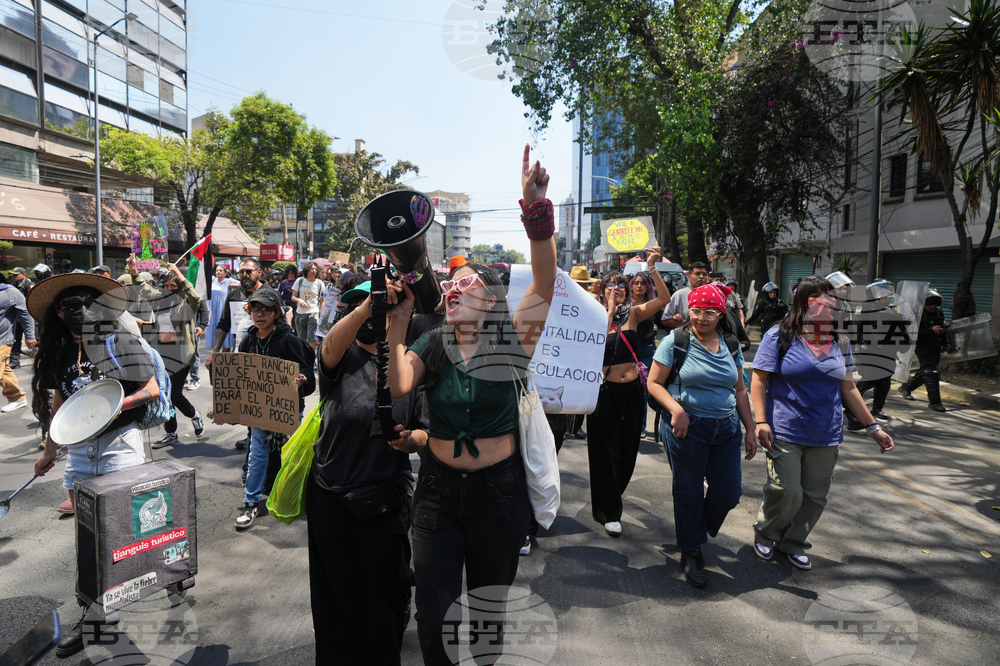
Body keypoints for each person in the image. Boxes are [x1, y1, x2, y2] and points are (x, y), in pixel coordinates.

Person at [387, 145, 556, 665]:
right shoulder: (431, 342)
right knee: (433, 614)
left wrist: (535, 210)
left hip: (498, 496)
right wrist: (397, 322)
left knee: (487, 612)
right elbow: (399, 386)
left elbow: (544, 282)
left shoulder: (513, 342)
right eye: (452, 285)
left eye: (469, 283)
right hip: (437, 494)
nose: (455, 288)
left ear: (492, 300)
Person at [29, 273, 159, 657]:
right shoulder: (61, 352)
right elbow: (61, 405)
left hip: (119, 444)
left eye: (89, 302)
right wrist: (49, 450)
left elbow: (151, 388)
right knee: (89, 539)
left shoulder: (120, 341)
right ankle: (96, 614)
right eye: (73, 305)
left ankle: (104, 614)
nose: (82, 310)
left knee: (117, 535)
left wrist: (119, 405)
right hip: (79, 452)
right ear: (59, 312)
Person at [309, 275, 427, 664]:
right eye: (361, 307)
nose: (371, 314)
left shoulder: (409, 365)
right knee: (333, 594)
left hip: (384, 501)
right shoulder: (341, 354)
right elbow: (327, 348)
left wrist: (412, 441)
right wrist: (365, 308)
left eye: (380, 307)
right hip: (330, 493)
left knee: (382, 598)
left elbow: (427, 430)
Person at [750, 276, 895, 571]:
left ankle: (794, 542)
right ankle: (766, 532)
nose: (825, 303)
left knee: (815, 496)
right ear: (802, 302)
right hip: (785, 429)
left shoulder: (840, 340)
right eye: (816, 297)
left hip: (825, 432)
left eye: (829, 297)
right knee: (786, 491)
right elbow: (759, 379)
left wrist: (874, 428)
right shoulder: (780, 335)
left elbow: (848, 388)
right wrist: (760, 421)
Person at [647, 283, 757, 587]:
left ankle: (694, 527)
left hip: (726, 427)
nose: (701, 317)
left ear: (721, 314)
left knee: (728, 493)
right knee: (688, 491)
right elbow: (654, 383)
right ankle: (691, 550)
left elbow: (740, 390)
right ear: (689, 311)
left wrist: (750, 429)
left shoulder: (731, 344)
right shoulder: (676, 341)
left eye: (710, 312)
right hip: (686, 428)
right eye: (696, 310)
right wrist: (676, 410)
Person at [589, 253, 670, 537]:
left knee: (627, 451)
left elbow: (664, 299)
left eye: (621, 285)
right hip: (605, 393)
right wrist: (609, 310)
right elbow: (594, 343)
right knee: (606, 451)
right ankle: (611, 511)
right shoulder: (594, 315)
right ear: (601, 290)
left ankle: (611, 495)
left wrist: (653, 267)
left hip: (633, 391)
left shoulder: (633, 314)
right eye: (611, 285)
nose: (618, 289)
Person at [235, 288, 315, 529]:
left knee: (291, 454)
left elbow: (307, 370)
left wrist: (302, 378)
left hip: (288, 410)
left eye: (266, 310)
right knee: (257, 455)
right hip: (259, 412)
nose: (260, 314)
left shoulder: (289, 340)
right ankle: (251, 502)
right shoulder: (248, 340)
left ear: (277, 313)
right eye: (255, 309)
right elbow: (239, 373)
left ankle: (297, 497)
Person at [131, 260, 204, 448]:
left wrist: (177, 273)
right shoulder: (160, 302)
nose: (169, 289)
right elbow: (143, 289)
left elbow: (195, 297)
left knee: (175, 394)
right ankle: (171, 433)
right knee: (165, 394)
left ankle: (194, 415)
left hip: (182, 356)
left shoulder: (186, 305)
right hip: (163, 355)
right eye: (166, 286)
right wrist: (134, 270)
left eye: (173, 286)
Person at [846, 279, 910, 427]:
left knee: (885, 381)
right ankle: (850, 405)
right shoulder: (864, 308)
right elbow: (856, 329)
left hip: (888, 351)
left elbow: (900, 330)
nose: (885, 295)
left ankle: (877, 409)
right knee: (870, 379)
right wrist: (856, 348)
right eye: (881, 292)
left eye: (887, 292)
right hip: (870, 351)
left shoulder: (893, 309)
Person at [898, 288, 949, 412]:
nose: (932, 307)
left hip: (935, 344)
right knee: (931, 371)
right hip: (920, 344)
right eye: (929, 304)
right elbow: (910, 333)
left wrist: (945, 343)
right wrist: (931, 331)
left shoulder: (938, 312)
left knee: (927, 370)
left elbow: (942, 327)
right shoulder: (914, 313)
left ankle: (906, 387)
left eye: (935, 304)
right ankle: (935, 403)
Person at [0, 273, 37, 412]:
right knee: (4, 371)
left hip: (2, 340)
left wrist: (30, 336)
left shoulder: (9, 291)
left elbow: (26, 313)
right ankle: (17, 398)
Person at [662, 261, 711, 329]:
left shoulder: (713, 296)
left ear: (708, 277)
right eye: (697, 274)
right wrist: (684, 323)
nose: (701, 277)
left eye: (704, 274)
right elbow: (665, 320)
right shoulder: (679, 295)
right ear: (689, 277)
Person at [292, 261, 323, 351]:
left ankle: (311, 356)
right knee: (301, 338)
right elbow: (293, 297)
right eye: (312, 269)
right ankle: (303, 356)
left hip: (313, 312)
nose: (314, 271)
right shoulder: (300, 281)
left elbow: (322, 301)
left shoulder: (319, 283)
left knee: (311, 337)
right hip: (300, 313)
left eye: (316, 269)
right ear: (307, 270)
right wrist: (299, 300)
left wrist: (320, 314)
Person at [8, 267, 34, 369]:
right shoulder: (11, 286)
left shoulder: (29, 285)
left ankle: (38, 357)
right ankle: (14, 361)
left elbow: (32, 301)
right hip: (16, 318)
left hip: (28, 318)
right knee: (15, 339)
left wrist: (25, 315)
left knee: (33, 339)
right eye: (13, 275)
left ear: (24, 275)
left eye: (16, 275)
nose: (13, 276)